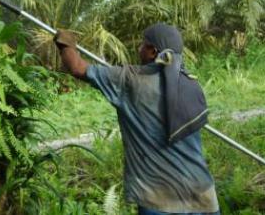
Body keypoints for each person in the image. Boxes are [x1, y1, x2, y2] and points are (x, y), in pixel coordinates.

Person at [54, 23, 219, 215]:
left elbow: (76, 67)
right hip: (203, 197)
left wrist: (65, 42)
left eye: (143, 44)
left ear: (152, 52)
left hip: (159, 201)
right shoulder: (191, 84)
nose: (138, 48)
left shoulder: (129, 80)